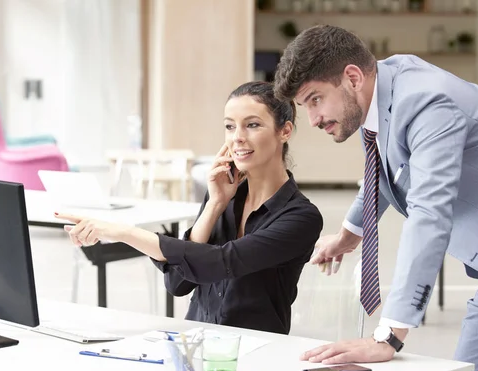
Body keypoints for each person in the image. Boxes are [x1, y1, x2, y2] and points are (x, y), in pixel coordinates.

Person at [273, 24, 478, 371]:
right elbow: (386, 169)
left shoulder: (427, 101)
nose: (312, 119)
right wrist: (349, 234)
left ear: (352, 77)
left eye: (315, 99)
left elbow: (430, 210)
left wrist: (390, 335)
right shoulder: (383, 90)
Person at [56, 81, 323, 335]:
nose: (237, 138)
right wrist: (214, 206)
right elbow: (178, 283)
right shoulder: (223, 196)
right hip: (196, 344)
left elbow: (222, 262)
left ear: (284, 131)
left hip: (256, 353)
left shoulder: (301, 218)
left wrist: (124, 232)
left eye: (252, 125)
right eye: (230, 127)